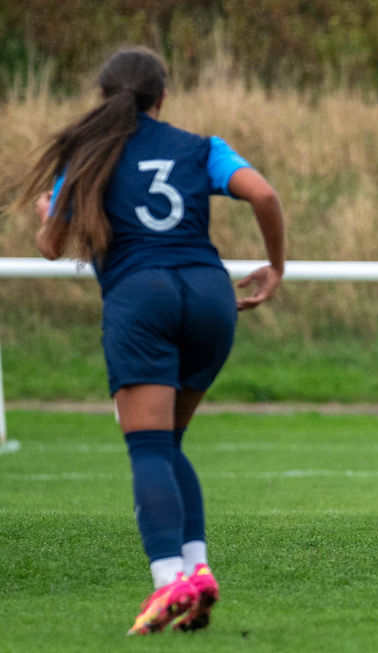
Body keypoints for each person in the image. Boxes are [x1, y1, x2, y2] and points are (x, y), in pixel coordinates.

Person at [16, 46, 286, 632]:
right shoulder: (201, 147)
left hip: (142, 297)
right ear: (162, 97)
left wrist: (46, 211)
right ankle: (198, 570)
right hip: (210, 296)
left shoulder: (88, 155)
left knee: (148, 450)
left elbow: (52, 246)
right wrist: (275, 266)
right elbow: (264, 194)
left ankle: (168, 584)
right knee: (170, 443)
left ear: (103, 95)